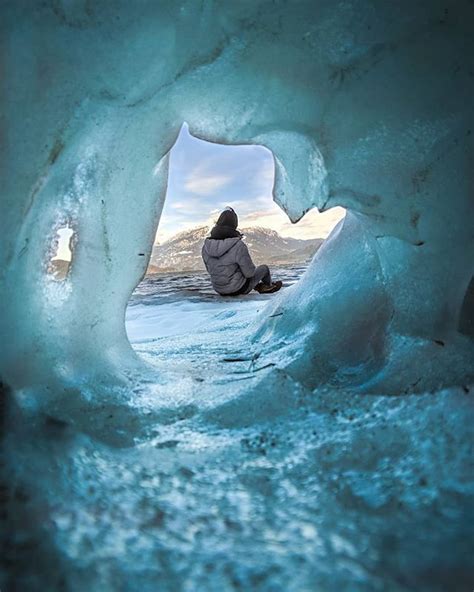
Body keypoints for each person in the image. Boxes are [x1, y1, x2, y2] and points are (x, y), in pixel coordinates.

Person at [202, 206, 283, 296]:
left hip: (219, 290)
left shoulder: (205, 247)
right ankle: (267, 287)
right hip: (238, 289)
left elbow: (210, 270)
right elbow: (249, 273)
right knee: (264, 269)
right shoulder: (238, 245)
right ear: (234, 224)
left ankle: (260, 286)